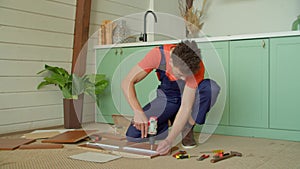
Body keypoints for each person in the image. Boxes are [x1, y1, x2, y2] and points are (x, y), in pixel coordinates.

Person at [121, 40, 220, 155]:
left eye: (186, 75)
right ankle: (169, 122)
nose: (183, 79)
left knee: (210, 88)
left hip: (189, 97)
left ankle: (187, 127)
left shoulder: (195, 65)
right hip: (168, 97)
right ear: (171, 61)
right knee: (133, 135)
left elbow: (186, 106)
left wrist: (169, 141)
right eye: (179, 75)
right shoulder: (158, 55)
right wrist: (138, 112)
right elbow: (127, 82)